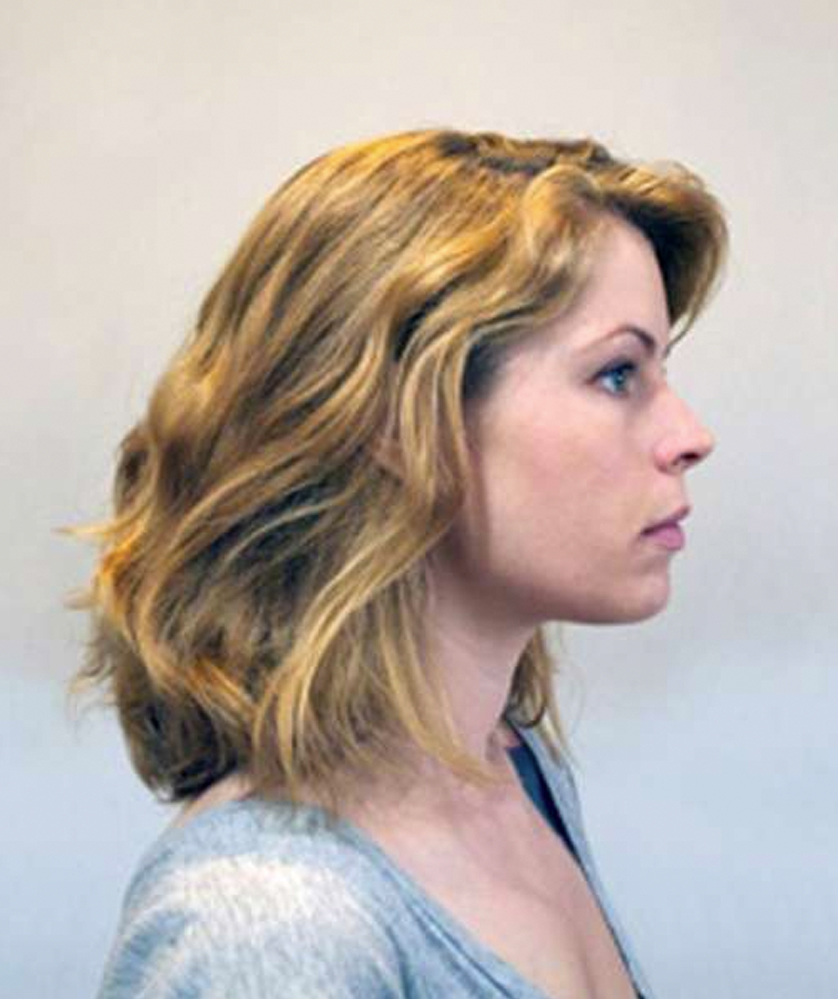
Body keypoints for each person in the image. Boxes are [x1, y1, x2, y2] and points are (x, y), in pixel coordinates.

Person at [67, 127, 727, 998]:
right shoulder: (265, 929)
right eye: (616, 374)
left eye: (659, 370)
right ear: (396, 422)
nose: (690, 435)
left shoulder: (516, 768)